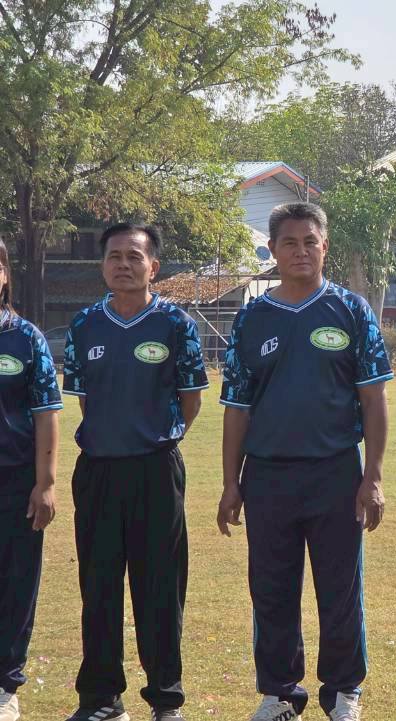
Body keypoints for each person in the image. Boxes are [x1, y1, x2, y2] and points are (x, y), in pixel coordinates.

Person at [217, 203, 392, 721]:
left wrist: (373, 477)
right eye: (289, 243)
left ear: (325, 246)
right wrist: (230, 482)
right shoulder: (253, 316)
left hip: (335, 471)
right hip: (268, 474)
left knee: (340, 588)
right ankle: (279, 692)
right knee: (271, 588)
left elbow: (374, 399)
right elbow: (237, 407)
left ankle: (342, 691)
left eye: (309, 241)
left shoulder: (351, 310)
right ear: (272, 250)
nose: (300, 251)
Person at [62, 224, 208, 721]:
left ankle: (165, 698)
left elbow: (191, 401)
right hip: (99, 470)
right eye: (114, 256)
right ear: (102, 264)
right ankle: (101, 699)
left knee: (160, 587)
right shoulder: (85, 325)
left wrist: (155, 438)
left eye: (134, 256)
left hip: (155, 471)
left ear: (153, 267)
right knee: (98, 586)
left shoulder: (175, 324)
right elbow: (85, 400)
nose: (123, 264)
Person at [0, 238, 62, 721]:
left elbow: (46, 413)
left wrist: (45, 483)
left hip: (14, 477)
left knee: (15, 582)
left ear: (4, 274)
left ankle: (6, 685)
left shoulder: (25, 337)